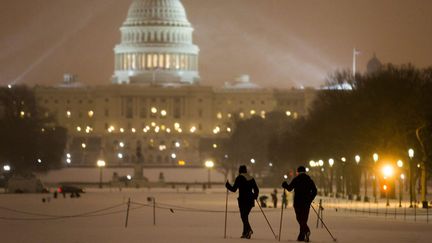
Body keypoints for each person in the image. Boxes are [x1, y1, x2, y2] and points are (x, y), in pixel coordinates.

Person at [282, 166, 317, 242]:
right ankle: (301, 237)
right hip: (306, 203)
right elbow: (314, 191)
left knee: (299, 218)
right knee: (304, 219)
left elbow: (290, 188)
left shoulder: (296, 179)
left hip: (298, 202)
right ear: (305, 171)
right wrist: (310, 199)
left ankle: (306, 231)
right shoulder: (309, 180)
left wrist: (285, 185)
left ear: (298, 172)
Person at [226, 165, 259, 239]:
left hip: (243, 200)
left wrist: (227, 185)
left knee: (243, 216)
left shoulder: (239, 178)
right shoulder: (251, 178)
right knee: (245, 216)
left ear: (240, 170)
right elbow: (256, 189)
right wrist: (254, 196)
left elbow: (234, 189)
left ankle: (249, 230)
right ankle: (245, 233)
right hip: (250, 201)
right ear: (246, 170)